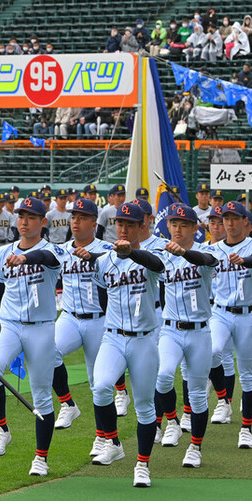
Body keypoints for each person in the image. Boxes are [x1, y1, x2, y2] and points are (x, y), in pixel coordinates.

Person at [82, 201, 165, 486]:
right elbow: (103, 292)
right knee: (101, 386)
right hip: (114, 337)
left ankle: (142, 465)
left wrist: (134, 253)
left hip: (144, 340)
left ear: (143, 226)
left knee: (144, 405)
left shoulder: (151, 253)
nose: (124, 228)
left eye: (131, 224)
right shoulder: (105, 260)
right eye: (120, 223)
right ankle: (113, 443)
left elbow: (158, 266)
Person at [0, 197, 62, 475]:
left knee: (41, 394)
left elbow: (47, 259)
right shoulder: (2, 252)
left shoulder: (53, 250)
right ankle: (1, 429)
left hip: (41, 327)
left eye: (31, 217)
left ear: (43, 222)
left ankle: (41, 457)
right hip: (10, 323)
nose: (24, 221)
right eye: (21, 216)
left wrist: (26, 257)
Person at [39, 198, 114, 446]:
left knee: (98, 384)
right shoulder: (62, 249)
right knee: (47, 354)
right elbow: (43, 255)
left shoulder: (107, 249)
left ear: (94, 222)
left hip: (99, 321)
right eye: (73, 217)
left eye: (82, 218)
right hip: (70, 317)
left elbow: (120, 261)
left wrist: (94, 256)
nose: (76, 222)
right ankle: (68, 404)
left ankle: (103, 437)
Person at [154, 203, 219, 466]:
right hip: (170, 329)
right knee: (163, 376)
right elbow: (149, 263)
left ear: (195, 228)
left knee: (197, 393)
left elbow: (206, 261)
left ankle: (195, 446)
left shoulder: (207, 251)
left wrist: (185, 253)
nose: (177, 229)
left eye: (183, 224)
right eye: (173, 224)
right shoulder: (162, 252)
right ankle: (171, 420)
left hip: (200, 332)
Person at [207, 202, 252, 443]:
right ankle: (223, 400)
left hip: (245, 315)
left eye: (235, 218)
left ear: (245, 221)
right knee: (212, 352)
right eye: (226, 218)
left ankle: (246, 429)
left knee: (246, 374)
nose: (230, 223)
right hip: (220, 312)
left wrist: (244, 261)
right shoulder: (213, 250)